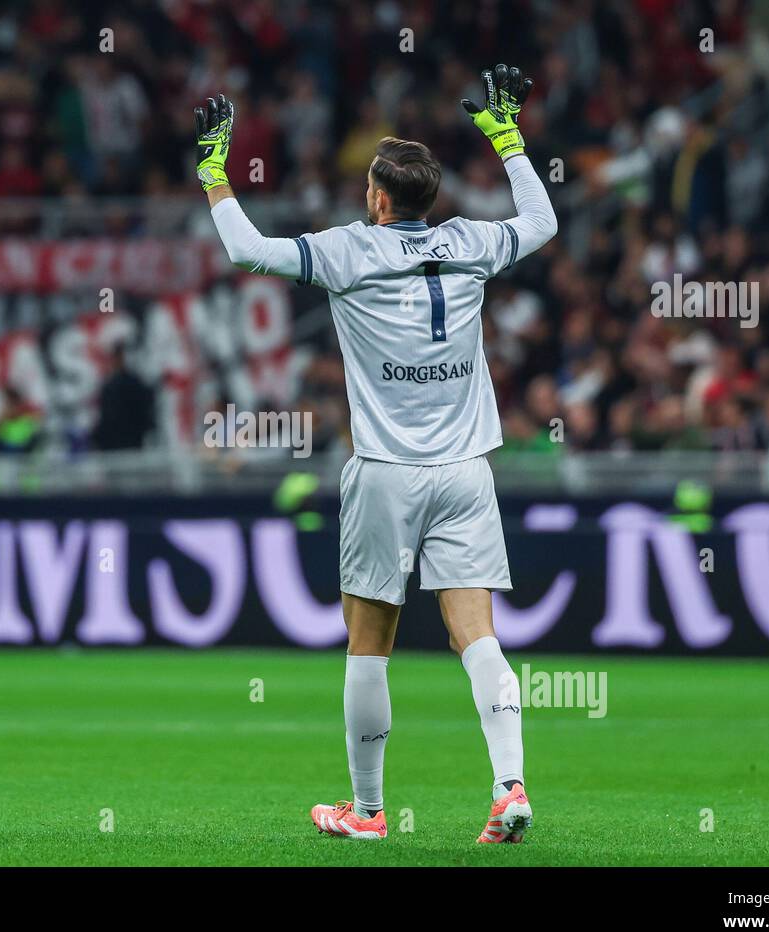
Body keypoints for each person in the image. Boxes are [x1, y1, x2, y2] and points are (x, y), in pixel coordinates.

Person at [196, 64, 557, 844]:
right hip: (467, 470)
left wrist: (214, 172)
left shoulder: (348, 251)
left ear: (380, 200)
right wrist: (507, 139)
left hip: (386, 473)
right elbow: (542, 222)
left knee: (369, 647)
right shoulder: (472, 242)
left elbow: (248, 250)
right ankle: (510, 786)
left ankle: (366, 812)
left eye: (369, 186)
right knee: (479, 636)